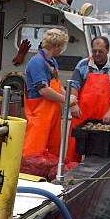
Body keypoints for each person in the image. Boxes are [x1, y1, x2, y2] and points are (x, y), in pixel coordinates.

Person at [68, 35, 110, 159]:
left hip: (102, 115)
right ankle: (70, 170)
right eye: (94, 51)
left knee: (98, 149)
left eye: (101, 51)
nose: (97, 54)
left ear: (107, 50)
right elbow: (75, 86)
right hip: (81, 112)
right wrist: (74, 105)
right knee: (74, 148)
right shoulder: (82, 65)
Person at [22, 28, 75, 157]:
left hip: (53, 112)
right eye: (62, 46)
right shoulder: (37, 62)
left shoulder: (52, 62)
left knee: (52, 150)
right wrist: (66, 100)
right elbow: (43, 90)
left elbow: (56, 83)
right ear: (56, 46)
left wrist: (67, 96)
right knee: (34, 151)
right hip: (39, 114)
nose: (62, 49)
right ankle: (29, 175)